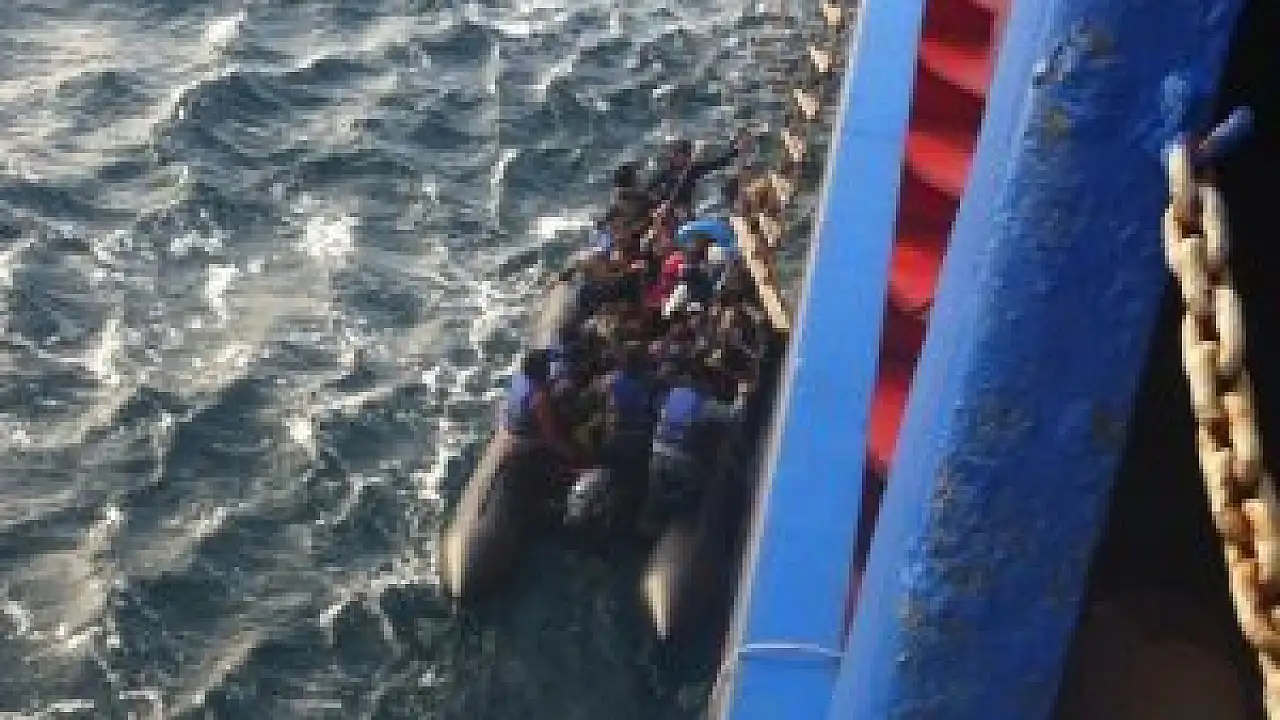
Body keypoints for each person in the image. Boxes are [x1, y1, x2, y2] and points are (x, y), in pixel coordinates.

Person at [640, 362, 749, 533]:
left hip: (656, 453)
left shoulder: (672, 394)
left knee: (655, 491)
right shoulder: (705, 404)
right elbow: (735, 417)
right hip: (682, 461)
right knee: (706, 480)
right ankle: (688, 514)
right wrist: (741, 394)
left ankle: (648, 522)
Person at [499, 349, 590, 471]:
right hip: (528, 442)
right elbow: (552, 438)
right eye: (548, 366)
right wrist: (579, 459)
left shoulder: (518, 378)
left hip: (513, 426)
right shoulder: (539, 397)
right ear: (542, 371)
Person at [645, 133, 751, 220]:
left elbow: (717, 163)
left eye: (684, 155)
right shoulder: (667, 171)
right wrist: (659, 203)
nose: (675, 157)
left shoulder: (692, 170)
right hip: (666, 209)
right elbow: (650, 188)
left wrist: (736, 151)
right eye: (675, 154)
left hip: (684, 210)